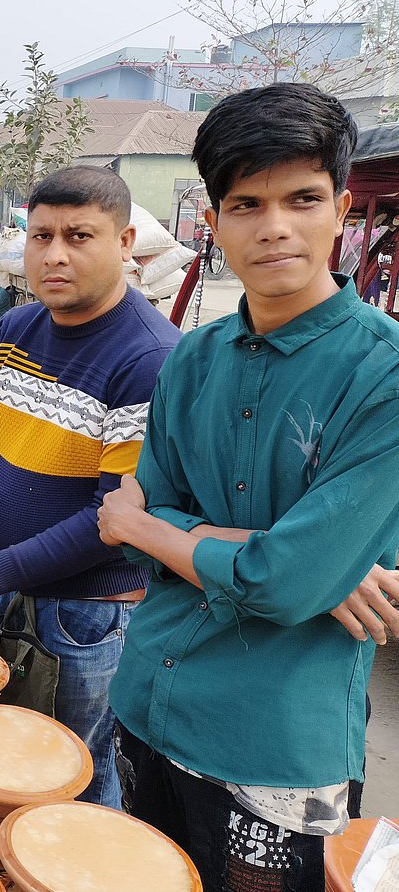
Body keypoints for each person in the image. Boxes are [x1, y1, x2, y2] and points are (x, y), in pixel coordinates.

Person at [98, 83, 399, 891]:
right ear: (215, 221)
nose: (274, 227)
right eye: (246, 203)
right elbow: (275, 569)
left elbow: (285, 582)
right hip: (147, 702)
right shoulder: (191, 359)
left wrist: (148, 527)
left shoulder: (385, 373)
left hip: (273, 743)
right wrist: (291, 563)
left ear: (340, 208)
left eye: (302, 199)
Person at [0, 167, 180, 809]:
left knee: (73, 775)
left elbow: (112, 522)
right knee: (7, 759)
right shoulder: (16, 330)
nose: (55, 254)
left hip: (90, 616)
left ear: (126, 241)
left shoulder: (150, 359)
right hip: (11, 587)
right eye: (41, 234)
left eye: (80, 236)